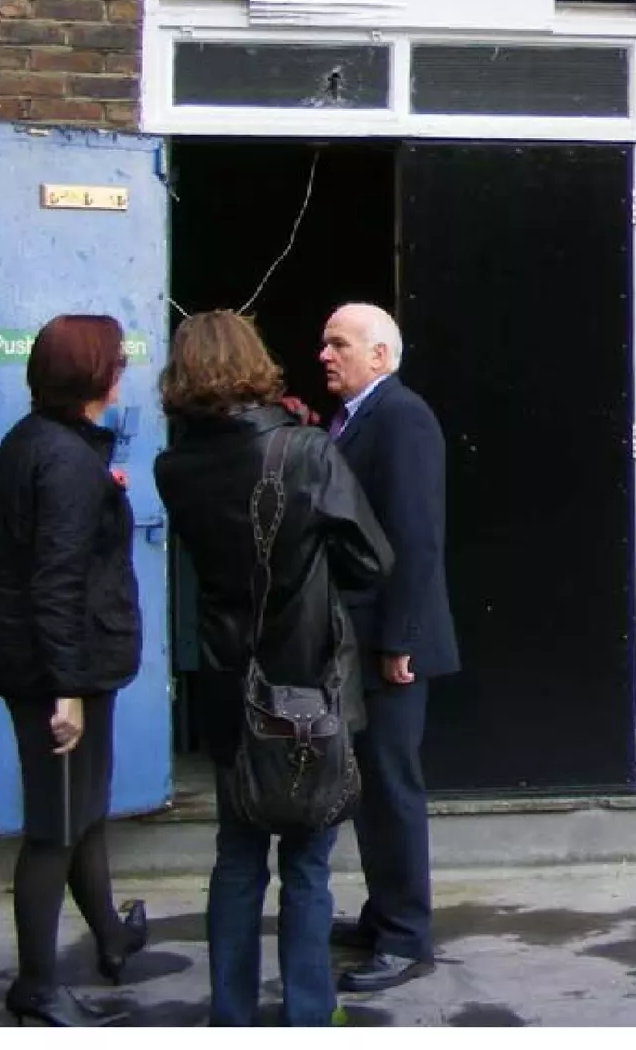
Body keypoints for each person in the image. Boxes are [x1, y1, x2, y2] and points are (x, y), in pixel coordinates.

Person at [154, 311, 393, 1027]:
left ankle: (230, 1017)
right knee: (307, 864)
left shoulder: (174, 467)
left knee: (236, 857)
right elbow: (372, 560)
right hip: (310, 679)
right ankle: (307, 1017)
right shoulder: (307, 452)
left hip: (231, 683)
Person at [0, 314, 149, 1027]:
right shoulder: (68, 460)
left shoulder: (34, 442)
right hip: (57, 671)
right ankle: (37, 988)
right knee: (54, 828)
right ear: (93, 376)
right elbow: (56, 581)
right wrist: (67, 691)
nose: (124, 371)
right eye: (117, 361)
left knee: (83, 812)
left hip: (46, 659)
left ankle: (109, 936)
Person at [317, 303, 459, 993]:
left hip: (392, 642)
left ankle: (407, 938)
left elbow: (414, 533)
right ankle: (383, 914)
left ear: (380, 355)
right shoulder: (354, 418)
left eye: (339, 343)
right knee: (371, 784)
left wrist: (400, 638)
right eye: (324, 343)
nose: (325, 354)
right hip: (368, 638)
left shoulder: (402, 417)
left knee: (393, 785)